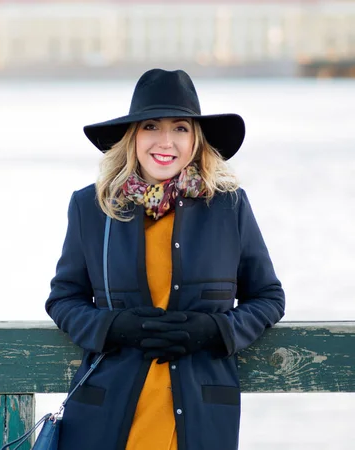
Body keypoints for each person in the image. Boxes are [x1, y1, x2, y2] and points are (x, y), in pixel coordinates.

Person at [45, 69, 285, 450]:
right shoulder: (91, 208)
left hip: (201, 419)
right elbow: (63, 300)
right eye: (151, 126)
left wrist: (215, 331)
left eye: (181, 128)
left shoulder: (229, 206)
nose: (165, 141)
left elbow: (269, 298)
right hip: (104, 419)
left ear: (196, 140)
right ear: (132, 137)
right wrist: (113, 327)